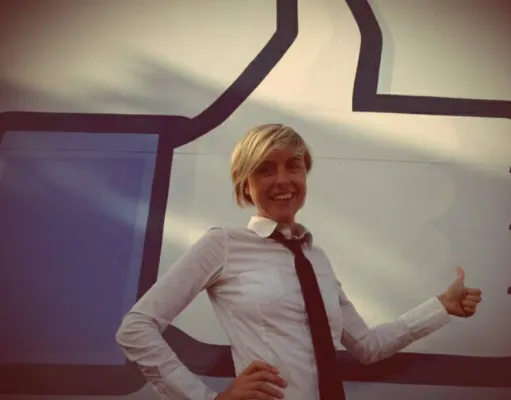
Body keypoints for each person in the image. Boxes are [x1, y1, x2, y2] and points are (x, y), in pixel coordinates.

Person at [116, 124, 483, 400]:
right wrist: (208, 399)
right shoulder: (222, 245)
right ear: (244, 184)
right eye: (265, 169)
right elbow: (136, 328)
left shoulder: (315, 258)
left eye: (293, 166)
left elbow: (367, 346)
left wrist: (441, 307)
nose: (283, 180)